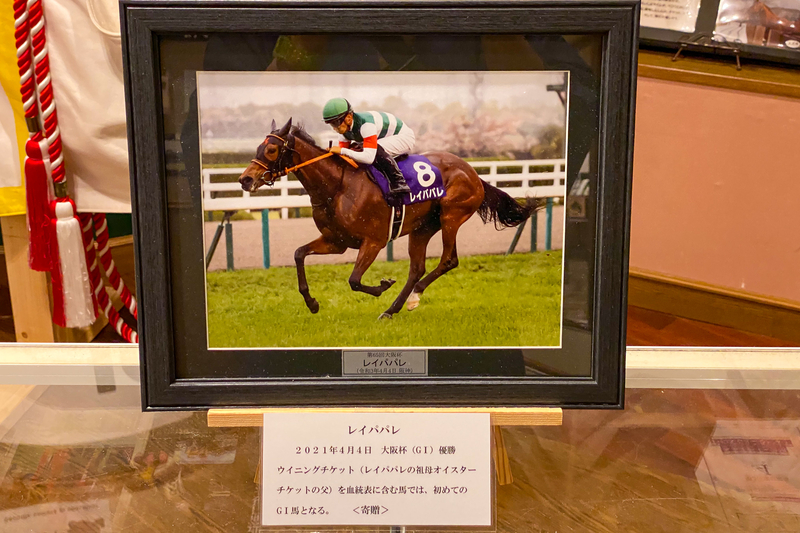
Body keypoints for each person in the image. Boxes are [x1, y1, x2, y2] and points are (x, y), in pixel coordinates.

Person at [323, 97, 413, 195]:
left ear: (348, 118)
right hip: (384, 137)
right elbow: (344, 157)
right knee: (356, 148)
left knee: (375, 149)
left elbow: (368, 158)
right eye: (331, 124)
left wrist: (341, 151)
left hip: (403, 137)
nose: (335, 128)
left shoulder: (366, 125)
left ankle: (399, 182)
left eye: (336, 123)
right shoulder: (343, 131)